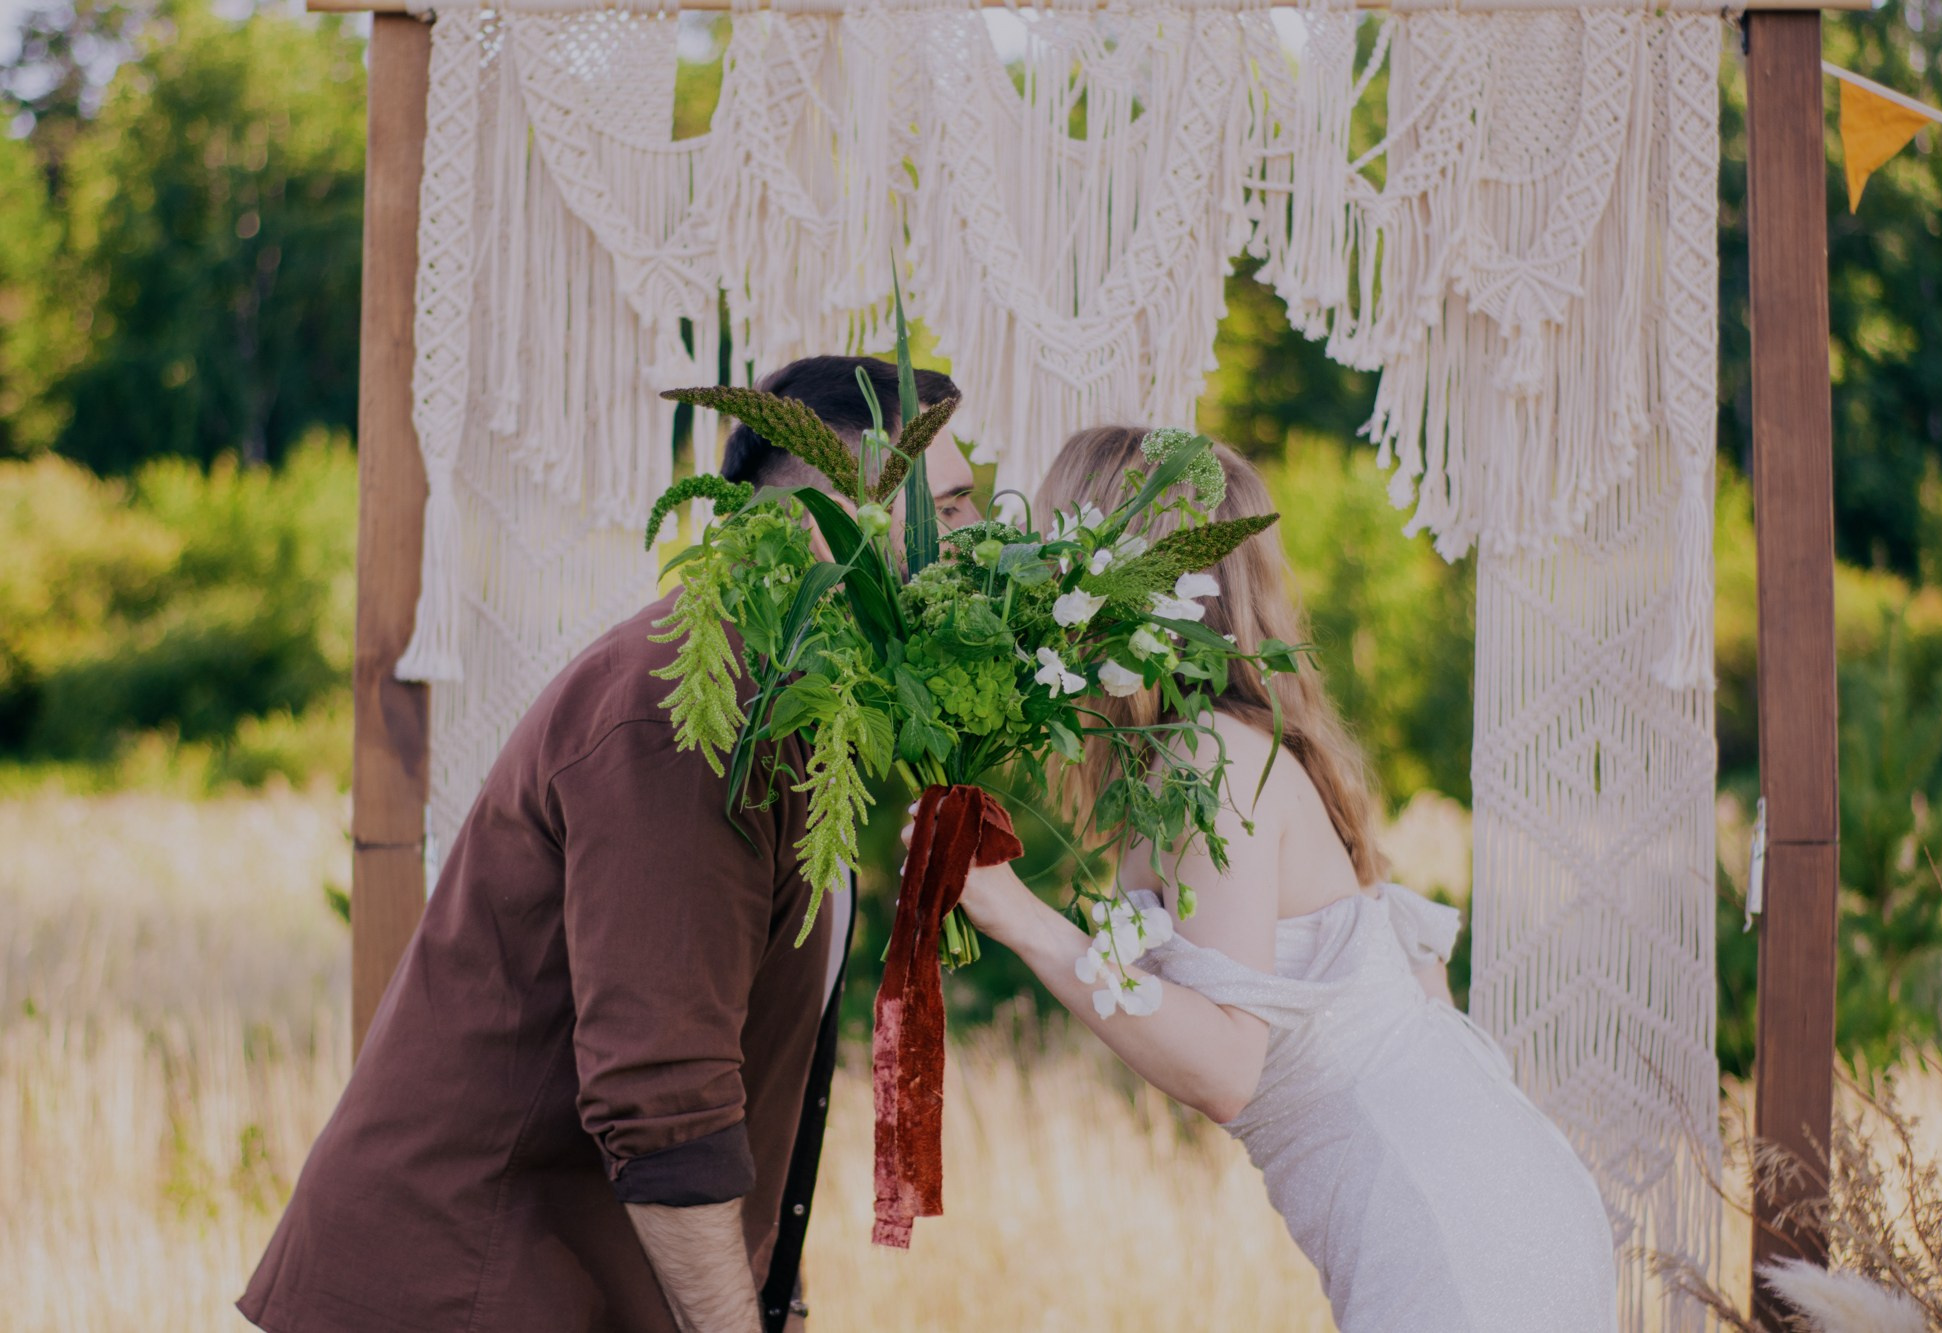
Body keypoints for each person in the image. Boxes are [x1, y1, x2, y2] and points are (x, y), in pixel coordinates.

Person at [240, 356, 970, 1333]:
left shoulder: (797, 706)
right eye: (950, 511)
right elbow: (662, 1094)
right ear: (821, 523)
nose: (976, 543)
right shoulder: (686, 711)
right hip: (462, 1293)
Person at [915, 426, 1618, 1332]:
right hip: (1494, 1190)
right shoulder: (1229, 749)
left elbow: (1226, 1068)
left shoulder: (1210, 756)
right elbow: (1413, 988)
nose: (1038, 586)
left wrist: (1025, 920)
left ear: (1117, 574)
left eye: (1056, 550)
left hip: (1453, 1228)